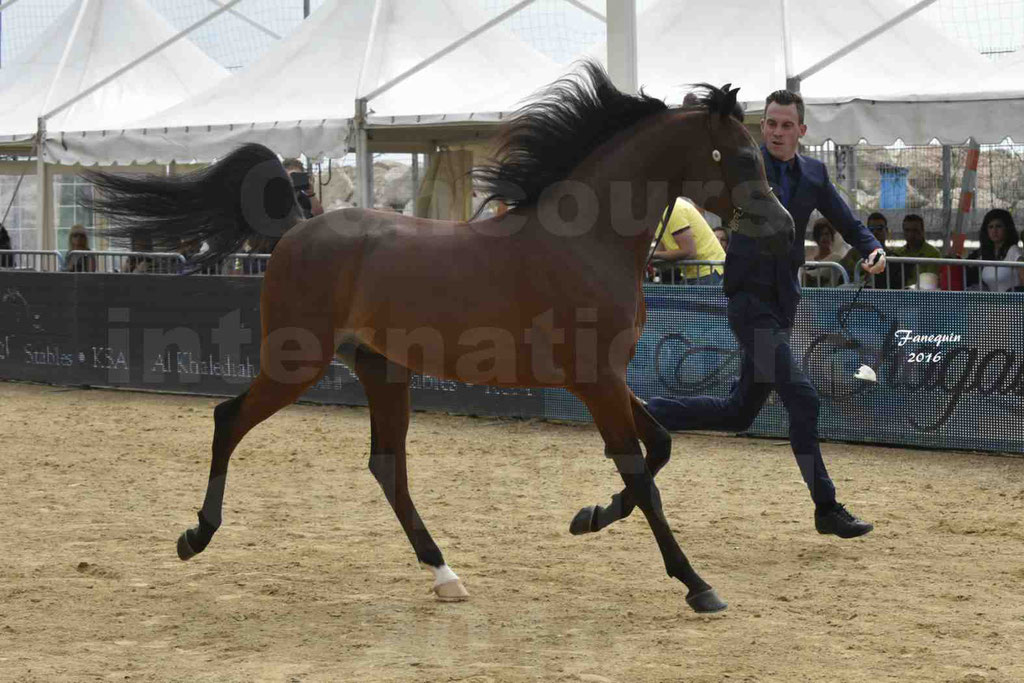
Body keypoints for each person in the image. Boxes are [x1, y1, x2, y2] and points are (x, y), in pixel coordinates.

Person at [648, 88, 886, 539]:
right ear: (763, 128)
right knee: (804, 398)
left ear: (801, 130)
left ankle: (652, 412)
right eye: (771, 124)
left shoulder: (814, 174)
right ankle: (826, 507)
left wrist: (874, 248)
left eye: (785, 125)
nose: (776, 132)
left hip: (783, 304)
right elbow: (715, 208)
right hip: (748, 303)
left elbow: (849, 223)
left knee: (739, 413)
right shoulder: (742, 166)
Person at [651, 197, 726, 284]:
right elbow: (660, 251)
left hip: (709, 273)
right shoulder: (658, 218)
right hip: (694, 275)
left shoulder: (674, 209)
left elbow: (689, 252)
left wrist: (653, 255)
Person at [965, 209, 1022, 292]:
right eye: (990, 227)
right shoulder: (983, 254)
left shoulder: (1014, 251)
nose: (994, 231)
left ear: (1007, 228)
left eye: (998, 226)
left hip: (1012, 303)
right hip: (990, 303)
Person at [892, 214, 940, 288]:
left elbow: (930, 285)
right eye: (907, 230)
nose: (911, 234)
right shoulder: (896, 253)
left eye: (915, 231)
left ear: (923, 231)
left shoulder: (933, 254)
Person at [803, 218, 848, 286]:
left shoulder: (836, 258)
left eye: (827, 234)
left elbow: (823, 273)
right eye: (820, 234)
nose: (824, 238)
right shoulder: (809, 259)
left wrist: (808, 275)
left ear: (832, 237)